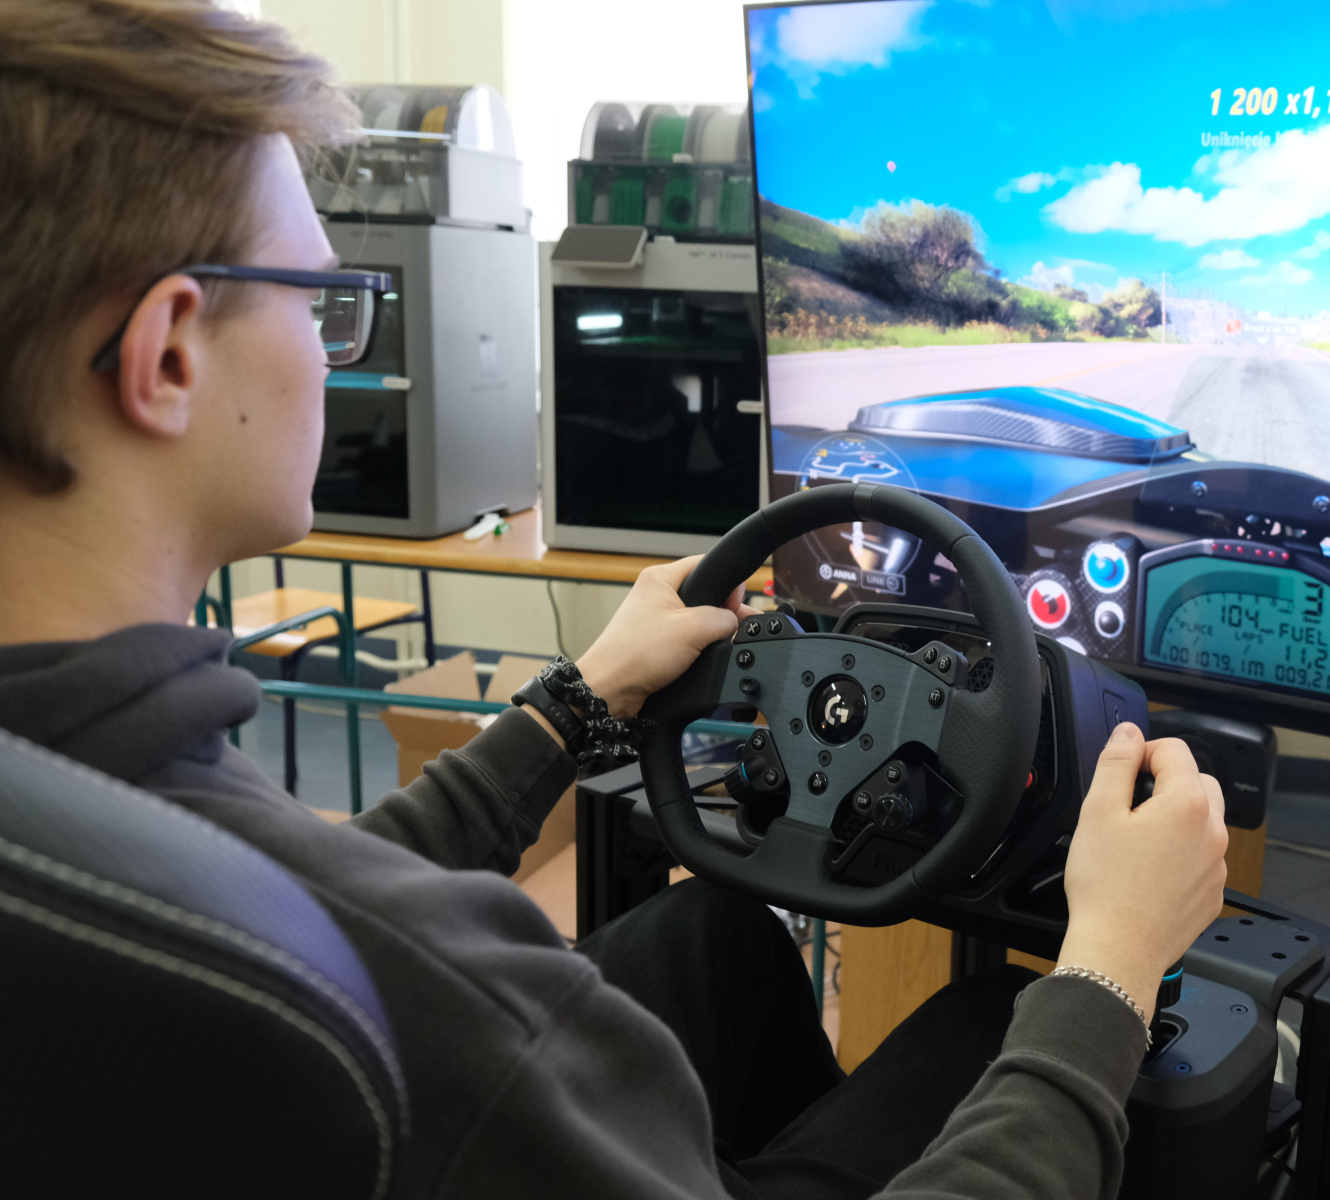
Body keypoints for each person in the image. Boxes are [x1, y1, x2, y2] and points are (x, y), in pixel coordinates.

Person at [0, 2, 1232, 1197]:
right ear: (169, 353)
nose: (338, 351)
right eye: (321, 302)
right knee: (1000, 1016)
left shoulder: (81, 807)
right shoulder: (454, 1012)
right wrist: (1109, 971)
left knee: (721, 933)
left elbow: (293, 892)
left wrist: (571, 706)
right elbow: (346, 930)